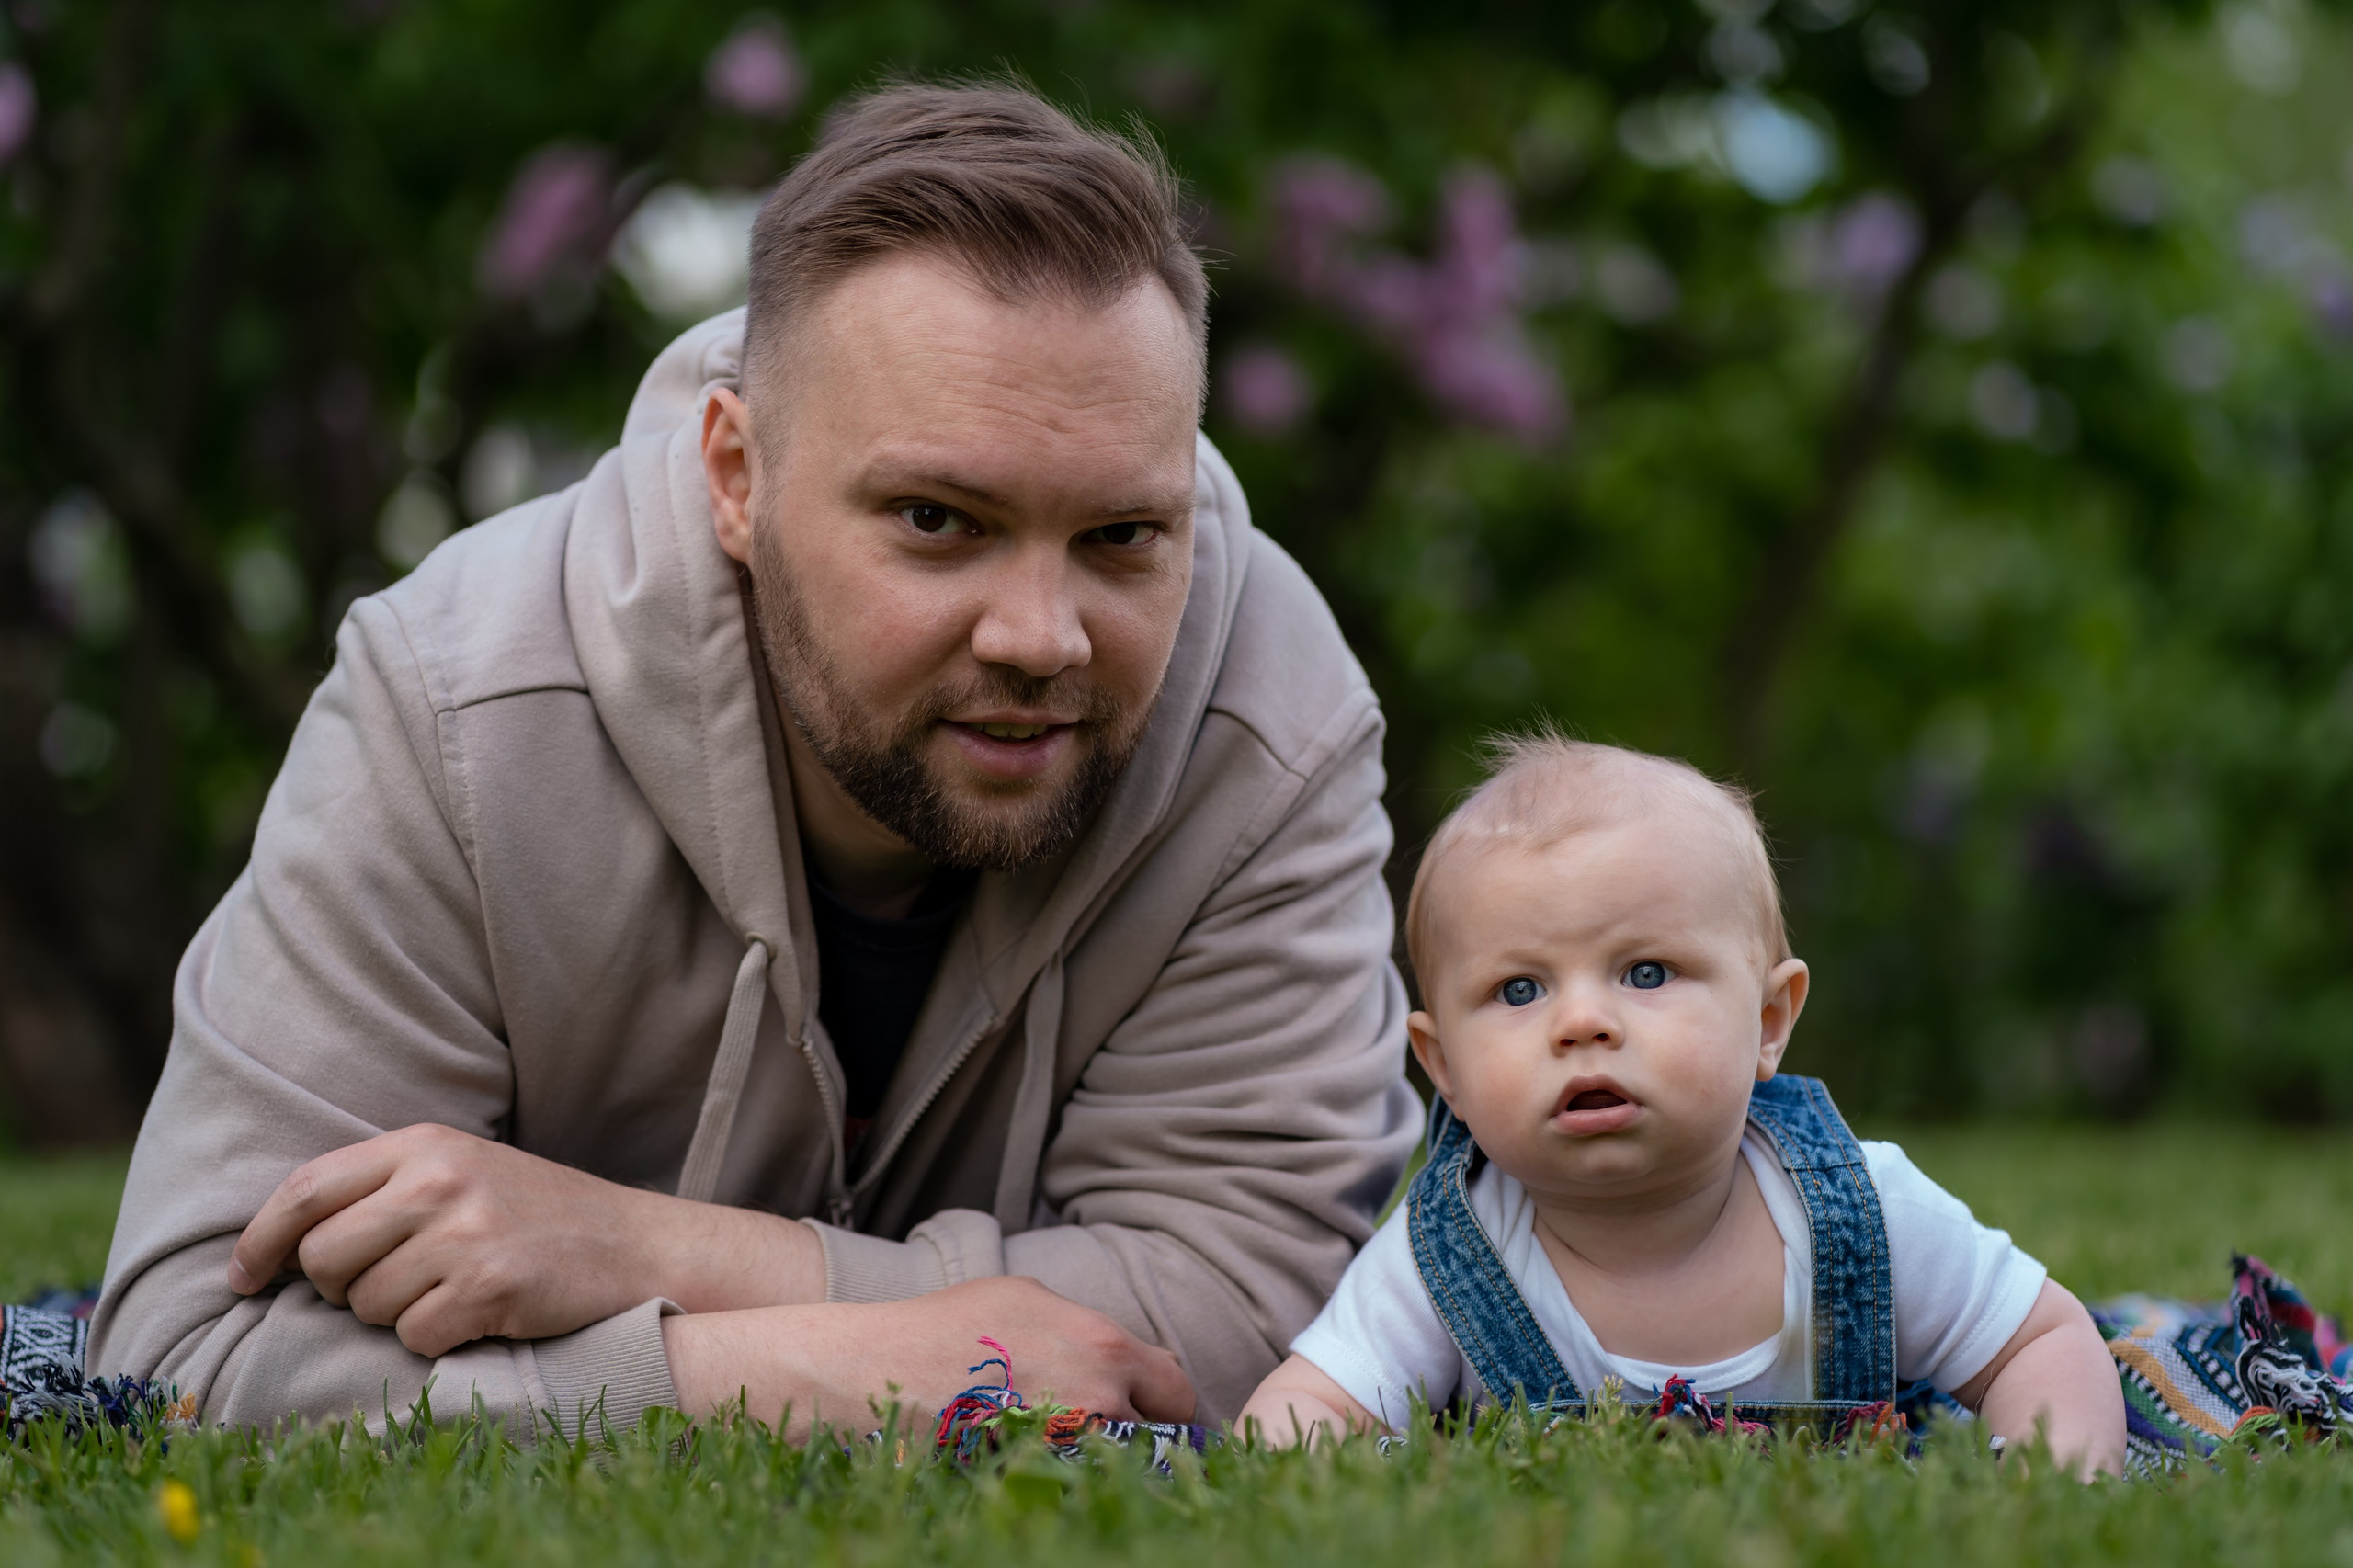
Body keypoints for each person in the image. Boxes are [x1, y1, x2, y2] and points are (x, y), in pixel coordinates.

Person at [89, 84, 1418, 1439]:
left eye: (1124, 536)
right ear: (735, 473)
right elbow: (182, 1354)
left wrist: (645, 1251)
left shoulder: (1266, 711)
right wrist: (802, 1374)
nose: (1042, 637)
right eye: (937, 519)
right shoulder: (461, 703)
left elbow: (1272, 1322)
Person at [1239, 733, 2128, 1478]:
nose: (1582, 1022)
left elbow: (2041, 1341)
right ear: (1446, 1073)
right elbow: (1311, 1407)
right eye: (1519, 991)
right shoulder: (1450, 1258)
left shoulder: (1858, 1213)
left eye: (1647, 973)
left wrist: (2047, 1489)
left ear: (1769, 1020)